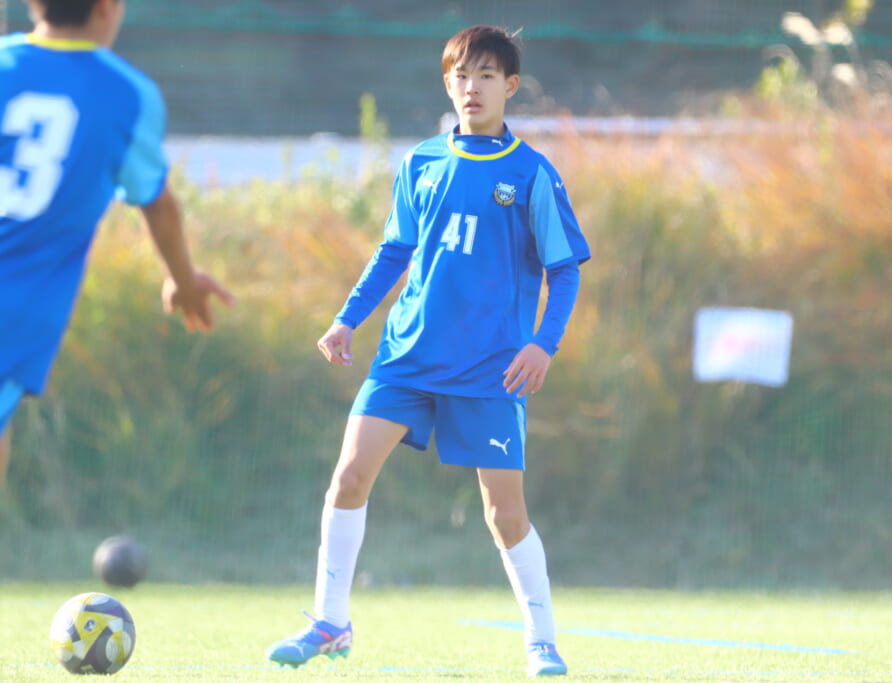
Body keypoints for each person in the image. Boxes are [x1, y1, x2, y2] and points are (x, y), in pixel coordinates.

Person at [265, 24, 590, 677]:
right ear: (447, 83)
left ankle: (542, 641)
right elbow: (395, 251)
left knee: (504, 514)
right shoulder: (421, 162)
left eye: (487, 75)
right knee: (349, 477)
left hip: (491, 368)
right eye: (462, 75)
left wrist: (542, 344)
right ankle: (329, 622)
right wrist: (346, 320)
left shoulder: (530, 173)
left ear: (511, 86)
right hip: (406, 358)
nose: (473, 87)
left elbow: (565, 270)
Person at [0, 0, 234, 482]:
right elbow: (158, 205)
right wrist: (183, 280)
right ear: (107, 8)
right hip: (17, 311)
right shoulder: (127, 94)